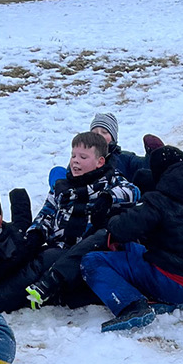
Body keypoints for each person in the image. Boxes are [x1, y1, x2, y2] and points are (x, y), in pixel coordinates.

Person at [80, 145, 183, 333]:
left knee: (92, 261)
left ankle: (131, 307)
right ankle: (165, 299)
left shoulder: (158, 200)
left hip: (168, 280)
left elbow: (124, 228)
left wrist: (108, 219)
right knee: (132, 249)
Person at [25, 131, 139, 309]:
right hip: (57, 246)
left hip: (84, 253)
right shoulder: (62, 186)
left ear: (100, 161)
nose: (75, 161)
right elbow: (47, 212)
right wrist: (36, 232)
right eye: (73, 156)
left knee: (39, 269)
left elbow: (133, 192)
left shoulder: (109, 180)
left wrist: (108, 197)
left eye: (83, 157)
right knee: (27, 260)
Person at [87, 111, 164, 183]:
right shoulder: (83, 159)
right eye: (94, 133)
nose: (99, 135)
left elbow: (145, 168)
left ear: (113, 138)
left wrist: (154, 153)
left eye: (104, 132)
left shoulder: (125, 159)